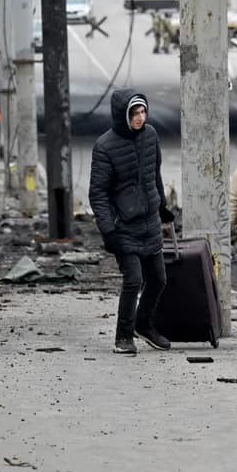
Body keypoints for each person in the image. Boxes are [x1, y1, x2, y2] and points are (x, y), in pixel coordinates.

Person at [88, 89, 175, 355]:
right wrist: (108, 230)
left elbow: (154, 174)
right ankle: (123, 337)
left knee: (158, 279)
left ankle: (144, 325)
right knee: (133, 280)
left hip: (149, 223)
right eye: (134, 113)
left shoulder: (151, 136)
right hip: (123, 226)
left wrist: (162, 206)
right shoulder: (104, 146)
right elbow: (98, 194)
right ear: (122, 115)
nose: (140, 117)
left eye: (143, 112)